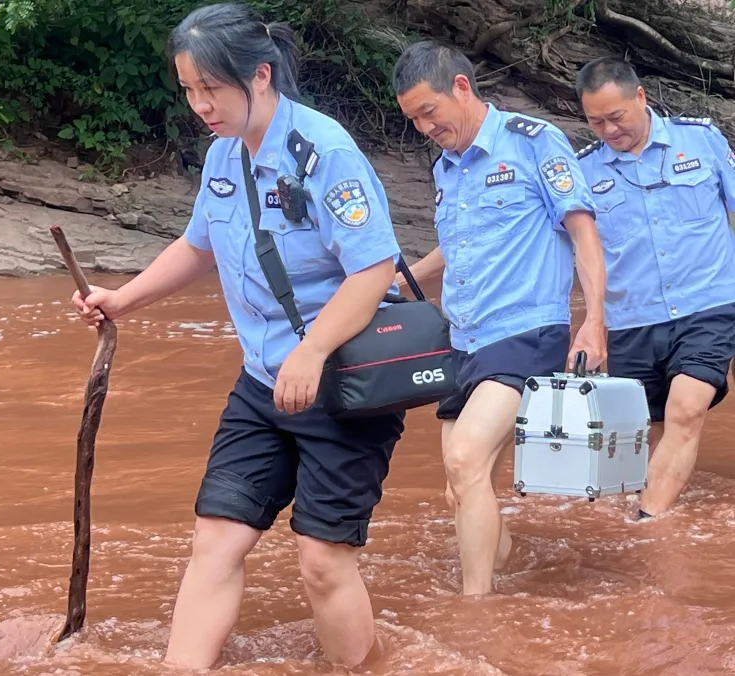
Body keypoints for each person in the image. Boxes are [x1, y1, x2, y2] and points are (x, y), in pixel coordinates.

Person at [71, 2, 406, 670]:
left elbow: (374, 268)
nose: (200, 105)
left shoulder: (324, 153)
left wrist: (312, 350)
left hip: (341, 383)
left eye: (210, 89)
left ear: (258, 76)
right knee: (216, 539)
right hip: (261, 384)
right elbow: (199, 247)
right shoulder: (224, 155)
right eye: (189, 91)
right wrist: (122, 300)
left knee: (321, 560)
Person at [392, 40, 607, 595]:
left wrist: (594, 321)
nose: (423, 128)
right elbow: (456, 244)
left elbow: (582, 230)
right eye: (412, 119)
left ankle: (476, 610)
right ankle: (523, 570)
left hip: (526, 331)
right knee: (460, 488)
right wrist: (404, 277)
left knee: (465, 459)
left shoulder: (534, 144)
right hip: (463, 336)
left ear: (461, 88)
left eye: (428, 112)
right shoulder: (445, 167)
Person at [574, 56, 735, 520]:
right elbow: (578, 252)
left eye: (616, 117)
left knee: (688, 409)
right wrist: (593, 322)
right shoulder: (582, 172)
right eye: (595, 121)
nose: (608, 130)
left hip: (708, 305)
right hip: (632, 320)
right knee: (644, 433)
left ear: (640, 97)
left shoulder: (700, 139)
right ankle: (653, 511)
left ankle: (645, 528)